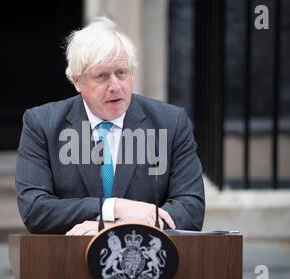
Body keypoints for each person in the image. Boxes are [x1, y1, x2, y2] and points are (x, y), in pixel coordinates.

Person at [15, 17, 205, 236]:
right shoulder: (42, 124)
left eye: (121, 73)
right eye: (102, 76)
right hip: (70, 261)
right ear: (77, 81)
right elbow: (35, 209)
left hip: (150, 259)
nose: (115, 86)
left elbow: (191, 209)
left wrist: (111, 226)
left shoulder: (171, 123)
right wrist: (113, 207)